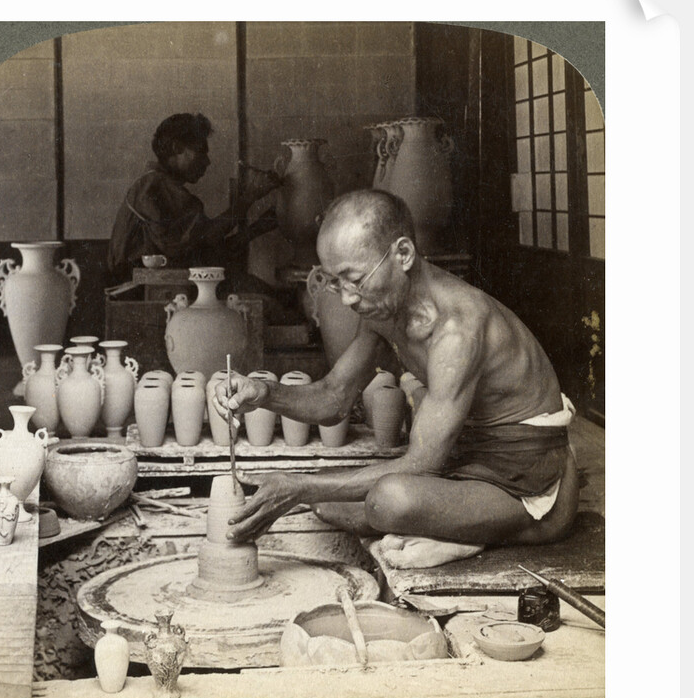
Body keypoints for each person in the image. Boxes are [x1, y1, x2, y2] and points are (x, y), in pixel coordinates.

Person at [212, 189, 580, 568]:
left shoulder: (457, 328)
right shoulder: (383, 311)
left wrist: (300, 485)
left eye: (354, 279)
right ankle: (455, 526)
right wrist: (264, 392)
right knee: (329, 505)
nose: (347, 299)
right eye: (335, 282)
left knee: (387, 500)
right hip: (469, 457)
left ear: (402, 254)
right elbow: (333, 398)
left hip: (526, 475)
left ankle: (499, 534)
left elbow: (422, 463)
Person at [107, 112, 280, 288]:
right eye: (201, 152)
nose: (207, 162)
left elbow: (200, 246)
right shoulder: (154, 186)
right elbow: (208, 238)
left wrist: (258, 227)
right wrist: (250, 196)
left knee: (261, 292)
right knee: (265, 301)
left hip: (159, 284)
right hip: (140, 290)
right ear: (176, 148)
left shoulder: (157, 184)